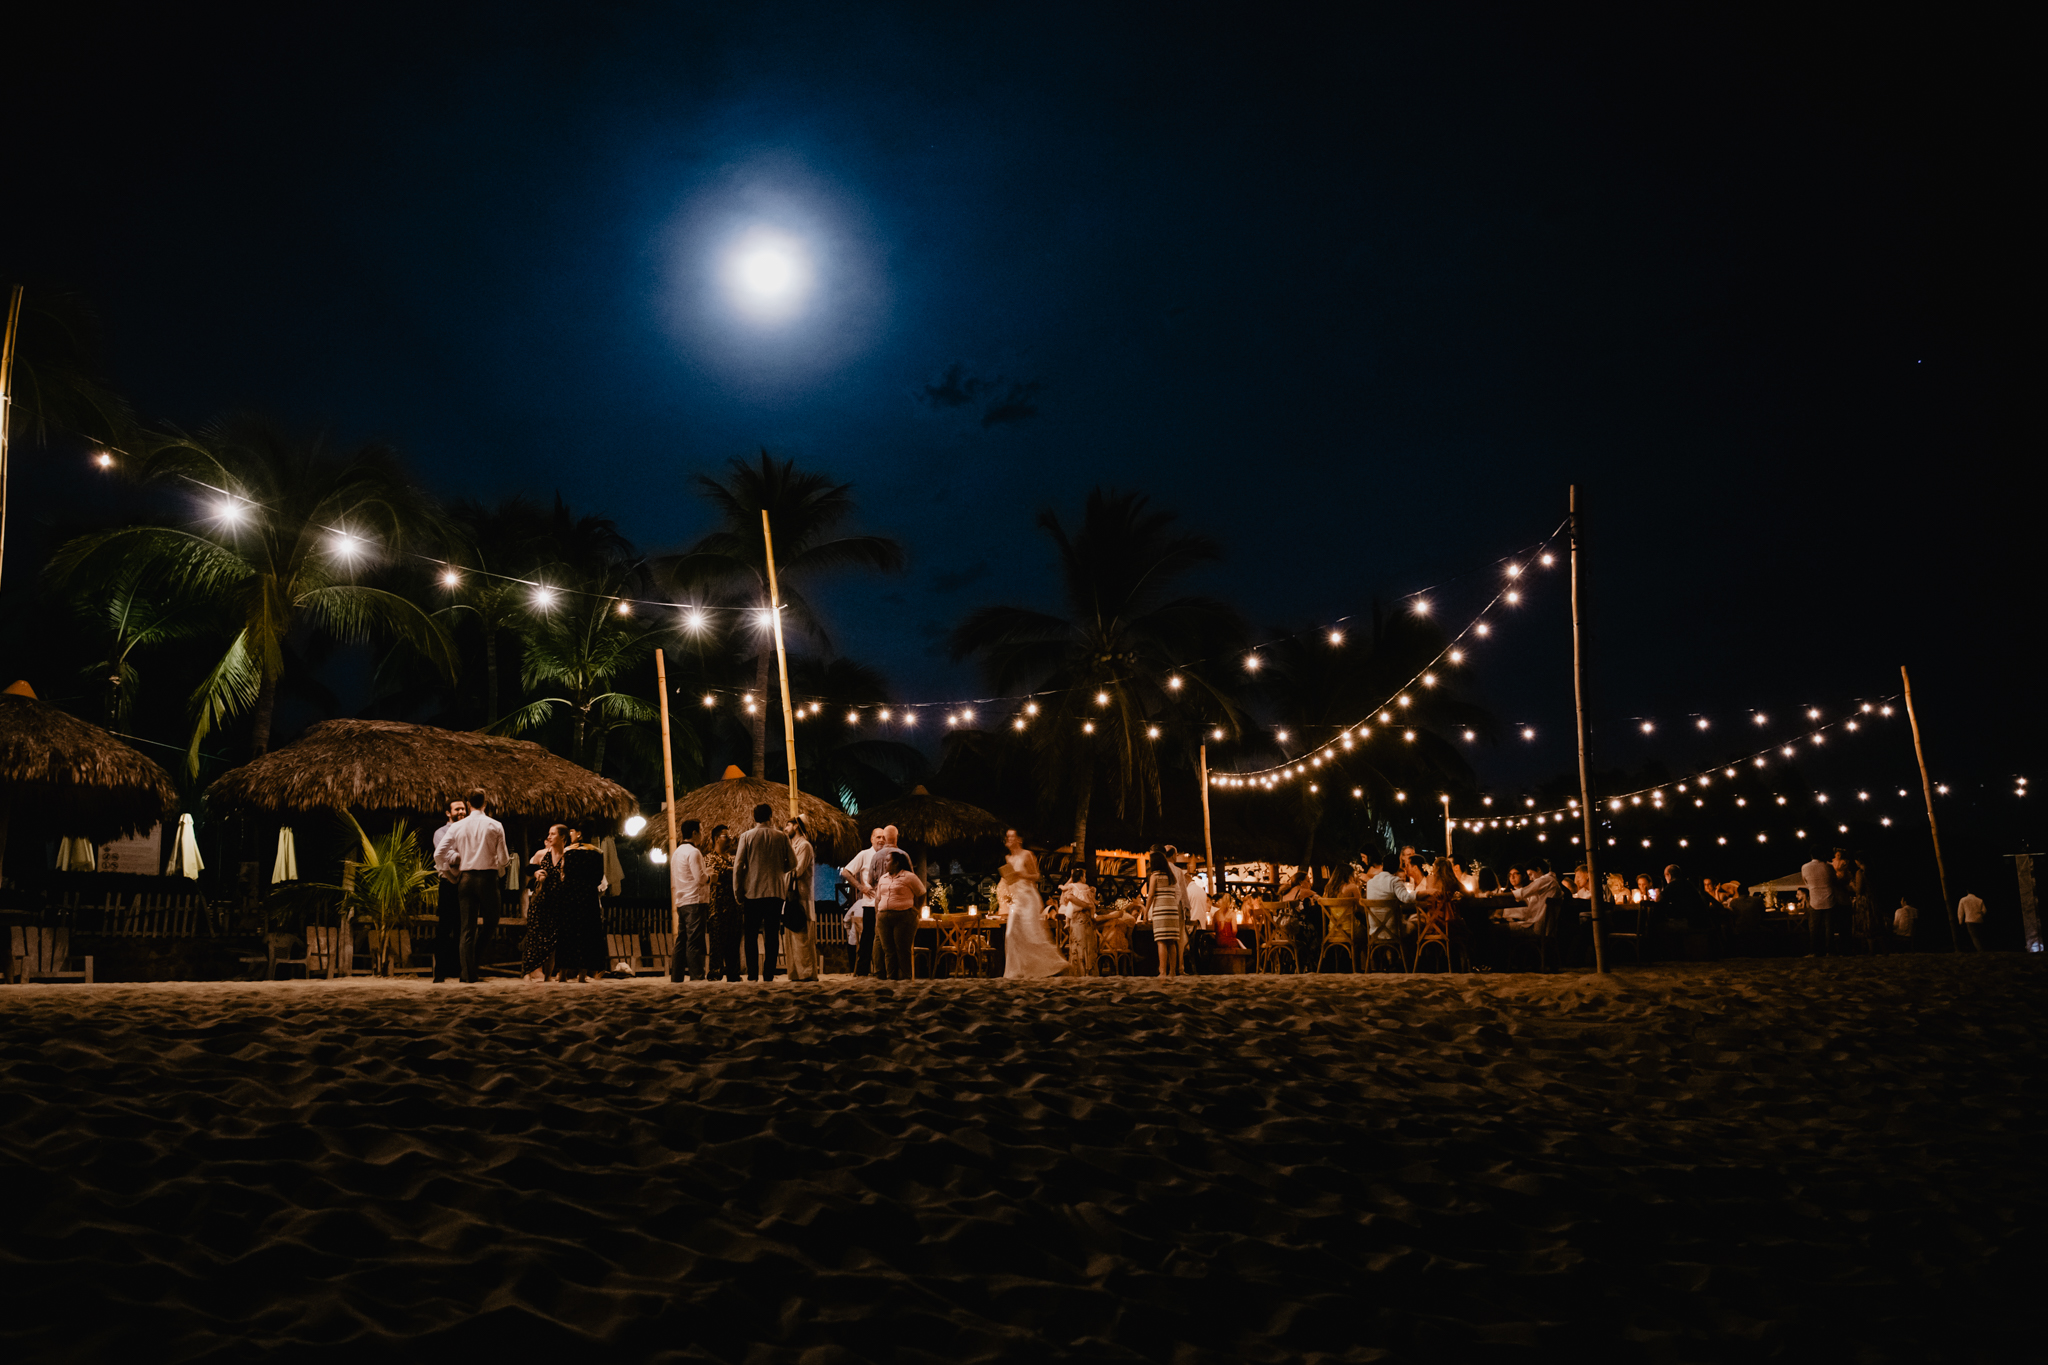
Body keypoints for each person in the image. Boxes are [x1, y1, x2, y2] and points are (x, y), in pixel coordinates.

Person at [435, 787, 511, 983]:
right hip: (487, 878)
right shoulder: (495, 825)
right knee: (492, 922)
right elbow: (503, 859)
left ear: (468, 804)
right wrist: (499, 867)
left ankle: (467, 974)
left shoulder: (457, 826)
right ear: (485, 803)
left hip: (466, 878)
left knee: (467, 928)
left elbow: (438, 855)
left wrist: (449, 875)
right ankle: (473, 962)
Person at [732, 803, 793, 982]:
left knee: (751, 934)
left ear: (754, 817)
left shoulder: (747, 836)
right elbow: (794, 862)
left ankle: (752, 974)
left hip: (752, 891)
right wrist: (780, 869)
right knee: (772, 935)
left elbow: (738, 866)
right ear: (770, 816)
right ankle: (768, 973)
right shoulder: (781, 837)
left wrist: (737, 891)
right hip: (775, 891)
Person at [1000, 829, 1066, 978]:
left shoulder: (1027, 855)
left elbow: (1037, 876)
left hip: (1029, 898)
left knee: (1032, 934)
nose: (1009, 839)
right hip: (1017, 899)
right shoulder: (1008, 858)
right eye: (1007, 837)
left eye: (1012, 836)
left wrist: (1021, 874)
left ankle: (1054, 965)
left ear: (1019, 839)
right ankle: (1016, 970)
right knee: (1011, 933)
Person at [556, 829, 609, 980]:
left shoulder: (568, 851)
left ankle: (563, 974)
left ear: (579, 833)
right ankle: (582, 974)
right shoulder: (597, 852)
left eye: (572, 832)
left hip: (570, 895)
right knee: (587, 933)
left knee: (567, 931)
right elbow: (599, 877)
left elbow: (563, 873)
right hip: (588, 896)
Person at [842, 827, 889, 977]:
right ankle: (862, 971)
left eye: (883, 837)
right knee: (868, 937)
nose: (881, 840)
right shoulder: (864, 854)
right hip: (869, 903)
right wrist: (860, 887)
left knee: (884, 938)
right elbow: (846, 872)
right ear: (872, 839)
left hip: (885, 903)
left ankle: (882, 971)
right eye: (878, 837)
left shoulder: (888, 855)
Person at [523, 824, 569, 980]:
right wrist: (536, 872)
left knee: (553, 940)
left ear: (563, 837)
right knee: (534, 937)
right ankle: (529, 972)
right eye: (549, 833)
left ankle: (548, 976)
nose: (549, 837)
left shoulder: (568, 856)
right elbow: (528, 870)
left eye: (553, 834)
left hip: (559, 902)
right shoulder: (542, 854)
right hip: (541, 900)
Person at [430, 796, 469, 978]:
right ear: (448, 813)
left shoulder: (469, 831)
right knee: (444, 928)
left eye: (463, 809)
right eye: (457, 809)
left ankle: (461, 970)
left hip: (465, 882)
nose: (461, 812)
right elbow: (447, 856)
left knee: (464, 927)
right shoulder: (440, 833)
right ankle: (440, 972)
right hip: (447, 884)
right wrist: (464, 856)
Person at [871, 850, 925, 980]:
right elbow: (878, 897)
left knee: (902, 949)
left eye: (888, 861)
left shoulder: (909, 877)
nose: (885, 864)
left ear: (896, 863)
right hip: (884, 917)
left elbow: (921, 892)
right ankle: (891, 978)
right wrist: (878, 912)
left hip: (903, 917)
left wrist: (916, 910)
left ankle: (905, 978)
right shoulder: (883, 878)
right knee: (888, 951)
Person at [667, 819, 709, 982]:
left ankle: (676, 976)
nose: (702, 835)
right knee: (695, 941)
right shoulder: (694, 852)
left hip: (681, 900)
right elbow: (700, 878)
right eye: (701, 831)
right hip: (695, 901)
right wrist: (711, 877)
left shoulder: (677, 852)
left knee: (682, 940)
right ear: (694, 833)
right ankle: (697, 976)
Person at [782, 815, 820, 982]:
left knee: (802, 938)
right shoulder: (792, 846)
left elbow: (797, 871)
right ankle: (796, 974)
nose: (785, 828)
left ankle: (806, 974)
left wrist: (780, 873)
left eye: (788, 825)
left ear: (796, 826)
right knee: (792, 938)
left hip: (802, 898)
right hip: (791, 897)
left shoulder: (804, 846)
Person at [1143, 842, 1186, 977]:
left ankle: (1162, 971)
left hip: (1160, 910)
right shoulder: (1172, 876)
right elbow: (1178, 893)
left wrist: (1145, 913)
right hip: (1172, 910)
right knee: (1171, 941)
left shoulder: (1155, 876)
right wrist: (1172, 903)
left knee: (1161, 941)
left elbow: (1150, 896)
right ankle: (1172, 971)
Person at [705, 826, 741, 980]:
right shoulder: (709, 858)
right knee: (717, 941)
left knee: (734, 941)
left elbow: (740, 872)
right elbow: (717, 874)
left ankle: (733, 973)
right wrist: (733, 870)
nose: (730, 838)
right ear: (716, 838)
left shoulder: (733, 858)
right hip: (717, 906)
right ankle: (715, 972)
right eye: (726, 836)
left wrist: (730, 870)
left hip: (734, 905)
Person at [1057, 867, 1101, 976]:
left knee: (1079, 944)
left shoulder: (1072, 887)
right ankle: (1087, 971)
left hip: (1078, 918)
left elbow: (1066, 895)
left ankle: (1079, 971)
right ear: (1081, 877)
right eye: (1084, 876)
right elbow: (1072, 898)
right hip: (1083, 917)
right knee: (1085, 944)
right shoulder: (1084, 887)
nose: (1085, 878)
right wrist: (1088, 905)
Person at [1800, 847, 1843, 956]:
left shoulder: (1805, 867)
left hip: (1815, 900)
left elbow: (1806, 881)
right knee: (1829, 927)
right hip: (1829, 899)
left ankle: (1814, 951)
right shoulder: (1828, 866)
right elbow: (1834, 880)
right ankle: (1830, 951)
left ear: (1811, 856)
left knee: (1814, 927)